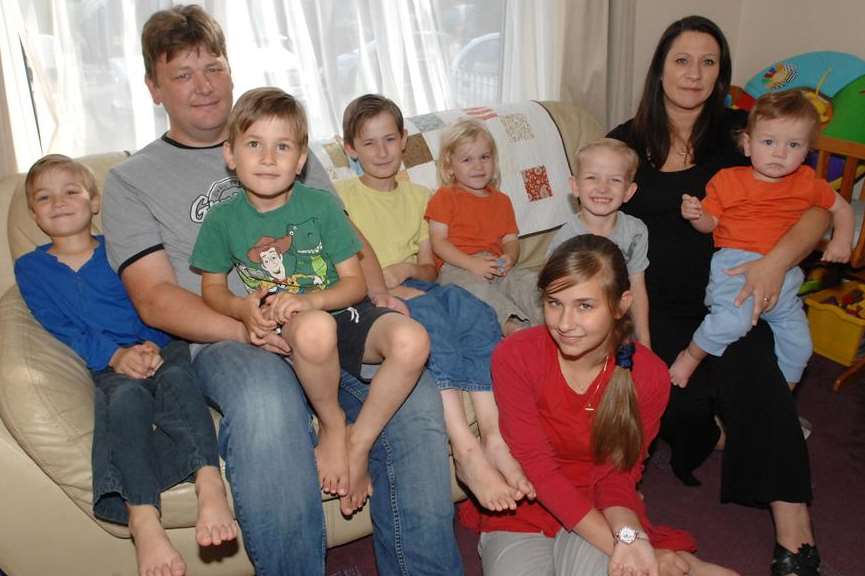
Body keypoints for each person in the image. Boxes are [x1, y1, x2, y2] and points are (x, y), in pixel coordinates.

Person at [102, 5, 463, 574]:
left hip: (324, 314)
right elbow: (154, 297)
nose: (203, 86)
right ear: (153, 88)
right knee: (267, 407)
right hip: (227, 336)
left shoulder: (285, 144)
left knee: (412, 392)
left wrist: (375, 295)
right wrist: (250, 325)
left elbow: (344, 231)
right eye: (182, 74)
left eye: (213, 68)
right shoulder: (130, 181)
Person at [608, 15, 824, 576]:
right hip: (655, 308)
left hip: (734, 291)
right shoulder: (624, 141)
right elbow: (596, 228)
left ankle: (795, 531)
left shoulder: (746, 132)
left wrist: (774, 266)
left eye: (709, 62)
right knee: (685, 415)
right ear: (659, 69)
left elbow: (820, 209)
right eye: (682, 60)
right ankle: (732, 419)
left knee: (752, 367)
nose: (695, 73)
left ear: (721, 73)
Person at [192, 87, 429, 512]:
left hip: (343, 308)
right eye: (253, 145)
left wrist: (313, 300)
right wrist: (241, 310)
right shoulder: (222, 220)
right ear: (230, 154)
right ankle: (334, 420)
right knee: (317, 330)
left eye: (282, 146)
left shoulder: (320, 206)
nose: (268, 158)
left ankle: (358, 441)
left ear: (300, 160)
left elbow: (355, 284)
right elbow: (212, 288)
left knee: (414, 341)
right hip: (295, 327)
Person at [460, 235, 737, 576]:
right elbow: (537, 470)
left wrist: (628, 536)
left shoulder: (648, 376)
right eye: (554, 303)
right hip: (524, 505)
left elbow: (619, 475)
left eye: (584, 306)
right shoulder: (516, 355)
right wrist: (634, 549)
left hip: (601, 505)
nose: (564, 323)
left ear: (621, 305)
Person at [15, 154, 237, 576]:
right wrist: (114, 356)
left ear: (94, 202)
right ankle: (142, 514)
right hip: (106, 362)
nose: (59, 203)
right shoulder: (31, 269)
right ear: (34, 213)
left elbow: (151, 295)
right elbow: (59, 325)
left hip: (159, 343)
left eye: (71, 192)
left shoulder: (118, 250)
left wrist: (151, 345)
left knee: (178, 380)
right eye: (44, 197)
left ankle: (209, 481)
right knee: (123, 404)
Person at [335, 93, 534, 511]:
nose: (382, 151)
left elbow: (430, 267)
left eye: (390, 139)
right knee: (433, 320)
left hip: (415, 285)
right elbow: (342, 261)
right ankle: (465, 450)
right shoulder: (340, 196)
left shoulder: (422, 196)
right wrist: (386, 287)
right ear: (349, 148)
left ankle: (494, 439)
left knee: (476, 312)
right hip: (366, 299)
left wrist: (408, 272)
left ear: (404, 140)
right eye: (368, 143)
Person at [670, 89, 853, 387]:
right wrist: (695, 215)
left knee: (801, 345)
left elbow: (841, 208)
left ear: (807, 151)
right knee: (732, 322)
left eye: (793, 144)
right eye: (769, 142)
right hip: (736, 267)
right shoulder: (728, 180)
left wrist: (842, 239)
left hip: (787, 275)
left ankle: (784, 391)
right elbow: (709, 224)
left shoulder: (808, 182)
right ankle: (691, 355)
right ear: (747, 145)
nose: (780, 153)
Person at [426, 117, 541, 336]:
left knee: (528, 282)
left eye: (484, 157)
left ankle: (553, 319)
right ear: (450, 166)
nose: (478, 165)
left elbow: (510, 240)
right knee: (475, 291)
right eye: (467, 159)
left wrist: (510, 257)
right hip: (456, 266)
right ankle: (512, 328)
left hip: (496, 264)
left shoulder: (502, 200)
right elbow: (438, 242)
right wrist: (471, 263)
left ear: (493, 160)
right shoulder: (444, 197)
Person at [547, 138, 652, 348]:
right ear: (575, 186)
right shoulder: (566, 239)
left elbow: (637, 288)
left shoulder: (636, 231)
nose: (602, 188)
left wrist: (645, 340)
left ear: (629, 192)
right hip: (577, 323)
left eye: (614, 180)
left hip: (619, 319)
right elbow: (556, 297)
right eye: (592, 178)